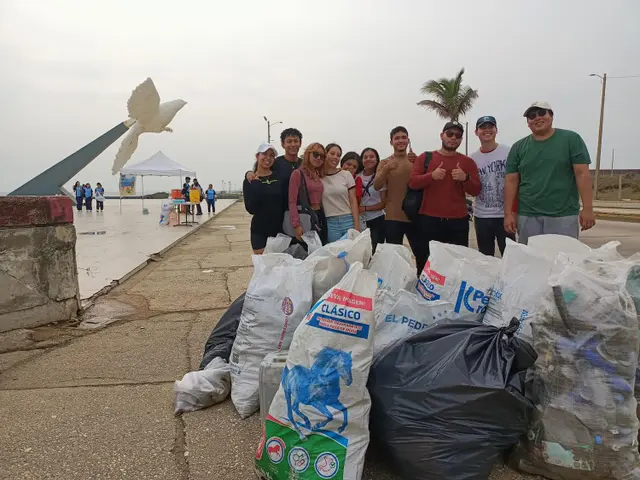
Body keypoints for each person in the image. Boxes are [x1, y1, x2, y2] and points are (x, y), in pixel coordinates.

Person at [504, 102, 595, 244]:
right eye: (532, 116)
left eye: (542, 113)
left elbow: (582, 174)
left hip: (563, 215)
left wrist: (588, 209)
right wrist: (508, 214)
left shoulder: (571, 139)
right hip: (528, 216)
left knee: (563, 261)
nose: (537, 118)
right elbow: (511, 181)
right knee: (531, 262)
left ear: (551, 116)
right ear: (528, 123)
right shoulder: (518, 147)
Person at [408, 121, 481, 274]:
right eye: (450, 134)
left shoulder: (467, 162)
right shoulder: (425, 157)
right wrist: (431, 176)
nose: (453, 138)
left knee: (456, 266)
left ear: (461, 139)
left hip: (458, 221)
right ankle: (424, 295)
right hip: (429, 220)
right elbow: (413, 183)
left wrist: (465, 178)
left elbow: (476, 190)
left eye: (458, 135)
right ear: (442, 135)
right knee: (427, 264)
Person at [469, 116, 515, 256]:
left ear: (496, 130)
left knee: (510, 256)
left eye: (491, 127)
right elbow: (471, 187)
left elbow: (516, 182)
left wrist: (513, 212)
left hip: (504, 215)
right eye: (483, 127)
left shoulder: (509, 152)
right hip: (482, 216)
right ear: (476, 132)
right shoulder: (472, 158)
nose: (487, 130)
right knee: (485, 257)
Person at [373, 126, 419, 265]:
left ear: (408, 140)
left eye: (403, 137)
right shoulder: (385, 162)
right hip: (393, 216)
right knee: (394, 257)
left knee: (421, 253)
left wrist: (417, 162)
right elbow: (376, 185)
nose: (400, 140)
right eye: (397, 138)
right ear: (391, 142)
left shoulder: (416, 160)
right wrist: (386, 169)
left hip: (415, 215)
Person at [243, 143, 284, 254]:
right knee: (262, 267)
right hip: (259, 230)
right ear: (257, 156)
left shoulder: (279, 177)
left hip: (278, 230)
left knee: (278, 267)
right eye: (264, 154)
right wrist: (256, 184)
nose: (268, 158)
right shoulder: (250, 180)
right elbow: (250, 208)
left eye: (271, 155)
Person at [288, 143, 326, 243]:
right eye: (315, 154)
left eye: (322, 156)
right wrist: (296, 225)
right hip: (307, 218)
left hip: (320, 216)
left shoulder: (318, 175)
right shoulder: (297, 173)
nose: (318, 158)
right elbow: (292, 201)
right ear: (307, 154)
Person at [322, 144, 360, 242]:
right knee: (335, 255)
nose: (335, 157)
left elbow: (353, 201)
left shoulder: (346, 175)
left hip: (348, 220)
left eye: (338, 155)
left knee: (352, 254)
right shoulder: (318, 177)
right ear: (325, 154)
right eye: (332, 153)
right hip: (330, 223)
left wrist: (356, 226)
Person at [357, 147, 387, 253]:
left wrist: (364, 208)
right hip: (360, 221)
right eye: (365, 157)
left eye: (372, 156)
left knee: (374, 251)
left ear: (377, 159)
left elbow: (383, 203)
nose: (368, 159)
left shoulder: (380, 177)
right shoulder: (356, 176)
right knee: (361, 251)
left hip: (377, 219)